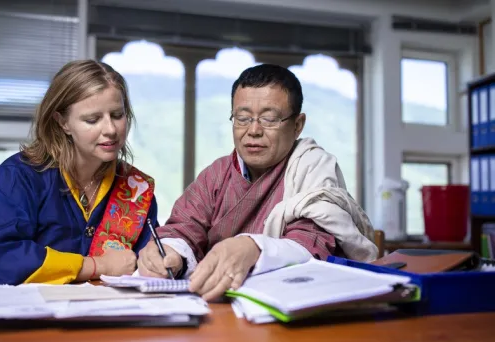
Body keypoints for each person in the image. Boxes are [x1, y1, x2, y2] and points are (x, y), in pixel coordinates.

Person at [138, 63, 377, 300]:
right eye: (242, 118)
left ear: (297, 125)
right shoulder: (216, 174)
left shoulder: (312, 167)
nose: (253, 130)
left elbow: (312, 243)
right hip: (217, 306)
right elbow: (184, 227)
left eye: (269, 119)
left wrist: (252, 248)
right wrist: (171, 253)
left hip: (291, 304)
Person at [0, 60, 159, 285]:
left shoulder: (136, 189)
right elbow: (0, 260)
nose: (110, 130)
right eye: (93, 119)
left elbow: (147, 263)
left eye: (118, 115)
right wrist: (98, 266)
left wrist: (161, 261)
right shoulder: (19, 176)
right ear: (63, 122)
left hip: (108, 314)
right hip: (34, 315)